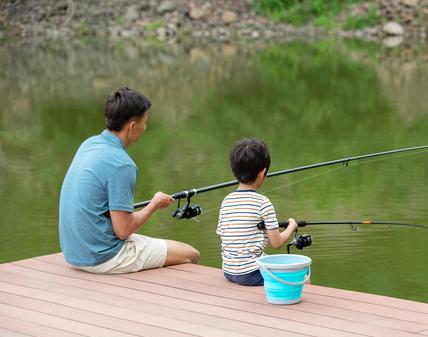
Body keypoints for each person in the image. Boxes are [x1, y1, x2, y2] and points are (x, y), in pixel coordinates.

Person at [58, 87, 199, 274]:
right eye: (144, 122)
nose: (145, 127)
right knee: (191, 254)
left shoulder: (89, 144)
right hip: (103, 258)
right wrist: (154, 204)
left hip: (72, 253)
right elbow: (123, 231)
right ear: (132, 126)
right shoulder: (122, 165)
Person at [217, 138, 297, 286]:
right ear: (263, 173)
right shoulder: (263, 203)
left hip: (228, 271)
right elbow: (276, 243)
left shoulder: (226, 200)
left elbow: (225, 235)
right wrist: (291, 226)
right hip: (251, 274)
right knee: (302, 276)